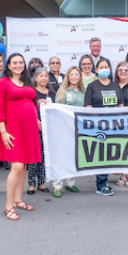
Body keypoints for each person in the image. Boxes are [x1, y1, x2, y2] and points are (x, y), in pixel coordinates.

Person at [0, 54, 40, 220]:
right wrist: (3, 132)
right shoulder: (3, 83)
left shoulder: (28, 83)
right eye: (15, 63)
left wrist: (37, 118)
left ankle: (18, 200)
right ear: (9, 65)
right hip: (12, 130)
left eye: (21, 62)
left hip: (29, 129)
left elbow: (31, 103)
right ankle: (8, 206)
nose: (18, 65)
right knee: (17, 167)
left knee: (24, 166)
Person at [85, 59, 124, 195]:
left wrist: (116, 121)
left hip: (114, 126)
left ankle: (105, 180)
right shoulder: (92, 87)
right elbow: (88, 107)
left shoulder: (115, 86)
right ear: (96, 70)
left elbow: (120, 105)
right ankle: (100, 184)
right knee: (101, 154)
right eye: (101, 67)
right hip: (99, 126)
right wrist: (100, 122)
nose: (103, 69)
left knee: (110, 154)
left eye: (106, 67)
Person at [53, 66, 85, 197]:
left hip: (78, 129)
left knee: (74, 156)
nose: (74, 77)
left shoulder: (84, 92)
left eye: (76, 75)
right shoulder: (62, 91)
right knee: (60, 156)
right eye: (71, 75)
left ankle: (70, 183)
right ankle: (57, 185)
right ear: (68, 76)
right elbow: (56, 110)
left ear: (80, 77)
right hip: (63, 128)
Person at [27, 67, 54, 195]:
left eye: (45, 76)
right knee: (34, 157)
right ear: (36, 78)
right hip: (34, 128)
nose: (44, 78)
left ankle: (41, 183)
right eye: (41, 76)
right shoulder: (32, 92)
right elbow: (28, 109)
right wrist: (36, 121)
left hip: (48, 130)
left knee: (44, 157)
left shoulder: (52, 92)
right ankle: (31, 183)